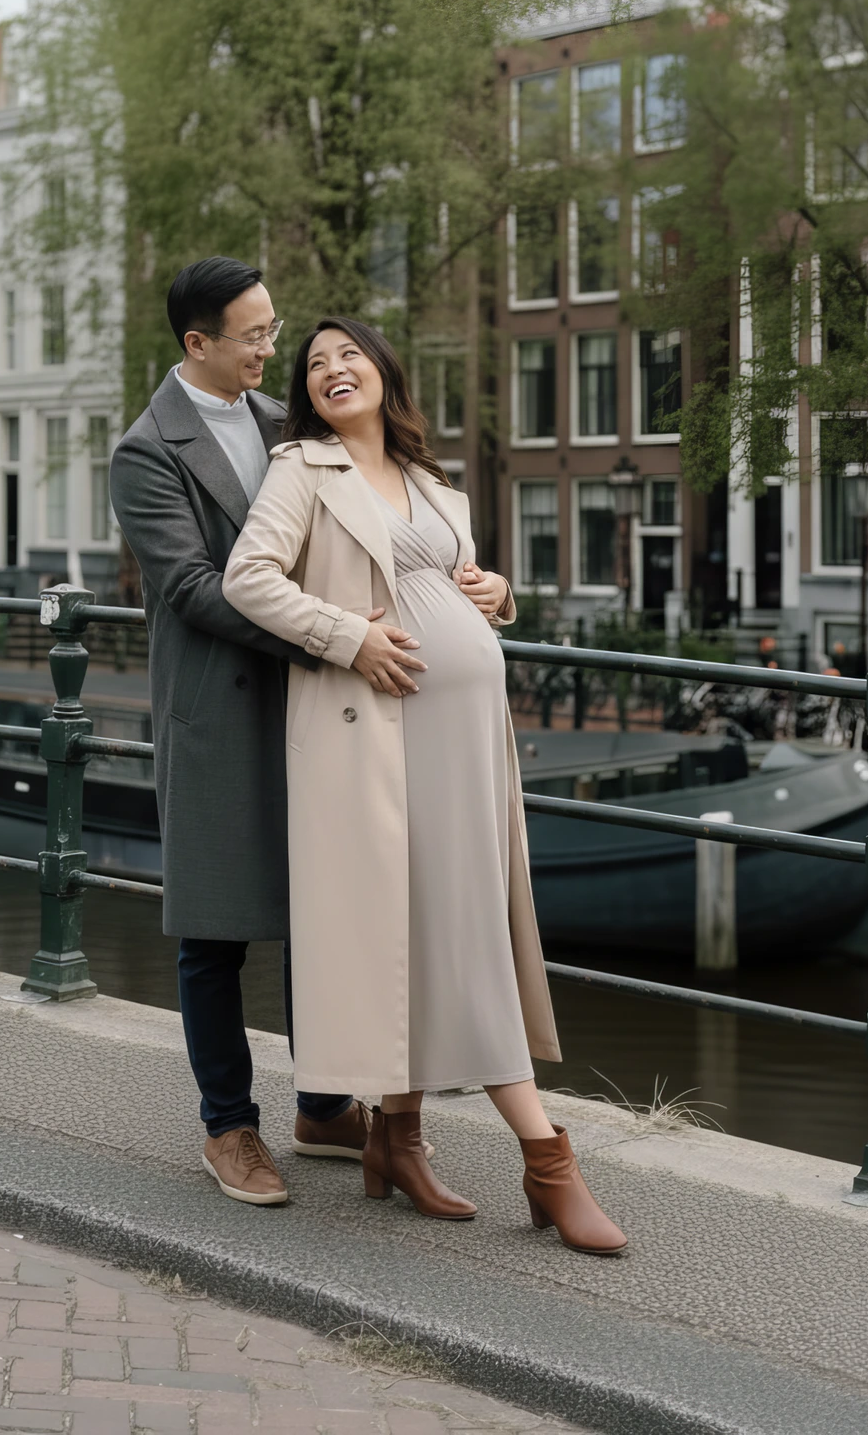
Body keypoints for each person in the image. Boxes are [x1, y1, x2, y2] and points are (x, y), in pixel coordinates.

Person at [222, 318, 627, 1252]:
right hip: (381, 735)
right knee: (453, 933)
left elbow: (454, 581)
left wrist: (498, 596)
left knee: (447, 921)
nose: (332, 370)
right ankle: (547, 1157)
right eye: (314, 364)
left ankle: (398, 1141)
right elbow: (249, 578)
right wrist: (347, 637)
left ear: (383, 370)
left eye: (347, 354)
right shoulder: (302, 471)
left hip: (467, 736)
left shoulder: (434, 484)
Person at [110, 262, 409, 1208]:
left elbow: (376, 530)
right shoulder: (147, 449)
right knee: (215, 934)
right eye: (254, 336)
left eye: (275, 329)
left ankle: (321, 1106)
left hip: (317, 698)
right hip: (222, 708)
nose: (273, 350)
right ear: (197, 344)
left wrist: (474, 585)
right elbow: (195, 589)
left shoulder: (294, 428)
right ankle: (227, 1126)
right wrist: (329, 633)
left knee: (322, 909)